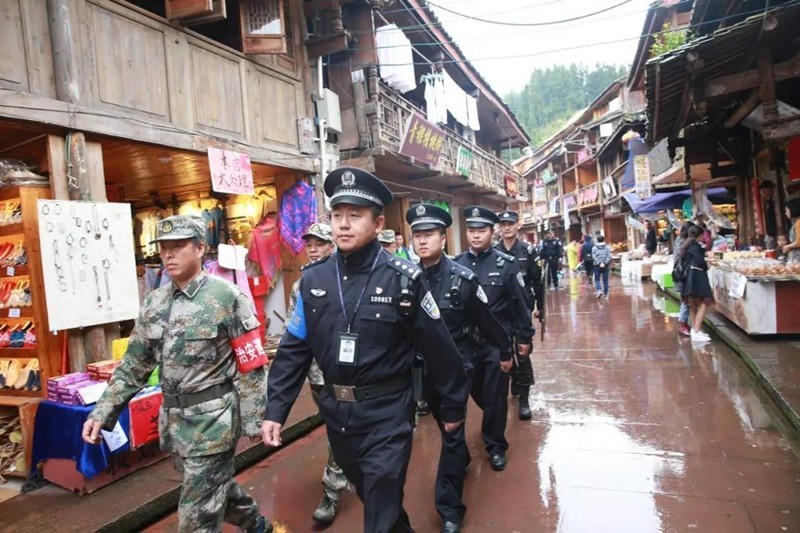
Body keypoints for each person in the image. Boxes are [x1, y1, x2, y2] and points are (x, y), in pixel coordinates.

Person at [262, 167, 469, 533]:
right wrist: (275, 409)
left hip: (388, 413)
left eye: (354, 216)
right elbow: (294, 349)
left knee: (380, 499)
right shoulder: (313, 280)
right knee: (376, 496)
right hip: (338, 413)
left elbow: (440, 349)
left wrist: (452, 407)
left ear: (376, 224)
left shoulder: (404, 280)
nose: (343, 225)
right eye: (337, 215)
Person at [82, 215, 271, 533]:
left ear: (200, 248)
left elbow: (251, 362)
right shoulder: (155, 303)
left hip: (214, 422)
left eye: (178, 246)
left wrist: (256, 420)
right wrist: (104, 410)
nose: (168, 254)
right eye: (164, 248)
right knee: (212, 487)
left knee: (196, 517)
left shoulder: (226, 298)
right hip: (174, 422)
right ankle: (256, 524)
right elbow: (134, 364)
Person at [407, 203, 511, 533]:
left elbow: (489, 323)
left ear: (443, 237)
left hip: (457, 369)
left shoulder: (463, 280)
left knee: (452, 433)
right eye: (417, 236)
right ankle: (462, 458)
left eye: (429, 235)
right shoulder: (405, 279)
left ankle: (450, 509)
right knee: (444, 425)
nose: (422, 241)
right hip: (423, 372)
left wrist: (506, 349)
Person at [454, 206, 534, 472]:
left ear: (492, 232)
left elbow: (520, 305)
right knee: (476, 393)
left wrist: (524, 337)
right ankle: (488, 419)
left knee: (497, 395)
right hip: (466, 343)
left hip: (495, 342)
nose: (475, 236)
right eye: (471, 231)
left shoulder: (506, 265)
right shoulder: (456, 264)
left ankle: (496, 445)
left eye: (481, 231)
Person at [283, 223, 348, 526]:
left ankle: (332, 489)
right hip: (318, 374)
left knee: (342, 427)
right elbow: (295, 337)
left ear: (331, 245)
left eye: (319, 243)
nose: (313, 248)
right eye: (309, 243)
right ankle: (348, 468)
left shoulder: (344, 277)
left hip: (347, 372)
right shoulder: (302, 283)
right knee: (337, 426)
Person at [496, 209, 543, 420]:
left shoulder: (528, 251)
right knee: (502, 352)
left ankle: (524, 397)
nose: (506, 227)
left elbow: (537, 281)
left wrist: (540, 308)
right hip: (500, 312)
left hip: (523, 310)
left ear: (517, 225)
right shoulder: (493, 251)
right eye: (503, 223)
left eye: (510, 223)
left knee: (523, 353)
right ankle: (513, 380)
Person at [679, 225, 714, 342]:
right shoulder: (695, 247)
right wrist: (707, 264)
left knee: (693, 304)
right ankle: (697, 330)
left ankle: (695, 330)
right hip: (697, 278)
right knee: (704, 303)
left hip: (688, 279)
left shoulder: (686, 246)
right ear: (699, 235)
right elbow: (701, 262)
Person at [673, 222, 694, 337]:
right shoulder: (682, 242)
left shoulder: (680, 240)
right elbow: (678, 258)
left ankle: (684, 323)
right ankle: (682, 325)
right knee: (685, 300)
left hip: (682, 274)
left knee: (685, 300)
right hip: (683, 275)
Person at [591, 235, 612, 299]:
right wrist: (605, 263)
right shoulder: (607, 247)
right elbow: (609, 256)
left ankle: (599, 290)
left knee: (597, 279)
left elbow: (594, 256)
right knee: (605, 280)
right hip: (605, 266)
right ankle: (606, 293)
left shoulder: (594, 248)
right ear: (603, 240)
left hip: (597, 266)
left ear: (597, 240)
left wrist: (599, 263)